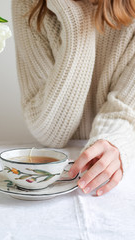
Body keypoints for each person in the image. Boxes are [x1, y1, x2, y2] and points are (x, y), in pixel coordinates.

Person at [12, 0, 135, 196]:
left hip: (106, 172)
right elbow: (50, 132)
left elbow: (123, 110)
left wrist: (112, 141)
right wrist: (77, 23)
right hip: (52, 169)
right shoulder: (29, 3)